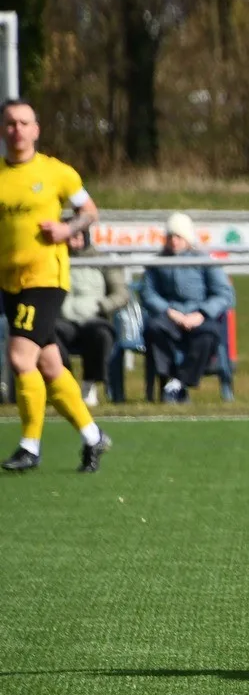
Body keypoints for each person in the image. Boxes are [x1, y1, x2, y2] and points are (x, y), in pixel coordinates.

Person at [0, 98, 111, 473]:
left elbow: (89, 212)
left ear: (36, 130)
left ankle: (29, 446)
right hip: (10, 282)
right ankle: (93, 437)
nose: (17, 129)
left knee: (20, 357)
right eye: (10, 123)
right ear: (2, 130)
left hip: (45, 278)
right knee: (48, 364)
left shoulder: (56, 173)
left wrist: (67, 229)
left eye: (24, 123)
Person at [140, 212, 233, 404]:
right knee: (154, 329)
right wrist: (170, 312)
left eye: (178, 237)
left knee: (209, 335)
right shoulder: (157, 264)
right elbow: (148, 293)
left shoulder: (204, 261)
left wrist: (202, 313)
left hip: (199, 316)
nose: (174, 241)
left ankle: (178, 383)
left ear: (187, 238)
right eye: (170, 236)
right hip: (170, 316)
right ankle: (169, 380)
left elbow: (224, 294)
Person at [56, 226, 129, 407]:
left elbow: (121, 294)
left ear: (86, 237)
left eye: (77, 236)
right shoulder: (55, 259)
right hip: (64, 320)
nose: (73, 240)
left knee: (101, 334)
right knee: (49, 333)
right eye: (69, 236)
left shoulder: (102, 261)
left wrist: (103, 306)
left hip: (94, 317)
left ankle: (89, 383)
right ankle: (66, 383)